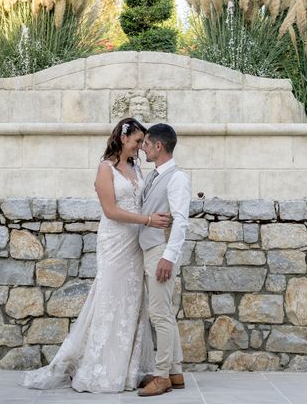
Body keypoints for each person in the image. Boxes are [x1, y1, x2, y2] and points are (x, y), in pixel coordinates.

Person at [21, 117, 171, 393]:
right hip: (115, 242)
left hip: (135, 243)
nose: (140, 146)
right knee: (110, 298)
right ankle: (102, 367)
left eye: (143, 142)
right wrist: (148, 220)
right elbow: (111, 211)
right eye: (138, 141)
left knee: (132, 301)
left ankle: (130, 368)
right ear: (123, 138)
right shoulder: (105, 169)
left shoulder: (135, 166)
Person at [136, 123, 191, 397]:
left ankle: (161, 377)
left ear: (158, 146)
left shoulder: (178, 178)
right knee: (165, 313)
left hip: (161, 250)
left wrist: (168, 257)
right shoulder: (153, 176)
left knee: (159, 315)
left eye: (146, 143)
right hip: (151, 249)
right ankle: (176, 371)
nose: (142, 147)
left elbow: (181, 221)